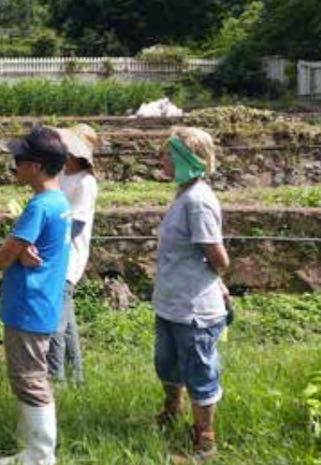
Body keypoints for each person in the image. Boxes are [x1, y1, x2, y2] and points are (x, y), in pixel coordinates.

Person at [0, 126, 71, 465]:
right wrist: (19, 251)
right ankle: (30, 442)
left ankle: (40, 454)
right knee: (31, 373)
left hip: (28, 304)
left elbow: (4, 256)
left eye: (19, 159)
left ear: (35, 165)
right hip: (43, 301)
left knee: (29, 378)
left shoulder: (39, 207)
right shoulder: (58, 200)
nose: (14, 165)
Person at [152, 126, 230, 463]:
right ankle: (171, 414)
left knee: (199, 371)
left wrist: (219, 277)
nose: (161, 160)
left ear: (185, 158)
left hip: (194, 306)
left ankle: (205, 441)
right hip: (172, 303)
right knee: (167, 364)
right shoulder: (184, 195)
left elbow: (217, 255)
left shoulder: (197, 200)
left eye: (167, 154)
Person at [43, 124, 98, 384]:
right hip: (58, 254)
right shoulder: (63, 176)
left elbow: (76, 224)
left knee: (56, 321)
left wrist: (48, 242)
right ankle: (76, 376)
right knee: (67, 319)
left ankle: (57, 379)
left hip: (68, 257)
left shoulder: (85, 183)